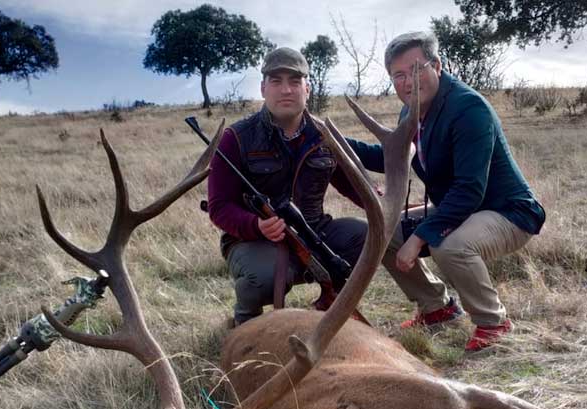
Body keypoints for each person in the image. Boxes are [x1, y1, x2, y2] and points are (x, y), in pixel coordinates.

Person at [348, 32, 546, 351]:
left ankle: (493, 322)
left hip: (508, 212)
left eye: (416, 70)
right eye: (398, 75)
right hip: (463, 209)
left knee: (448, 244)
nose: (408, 82)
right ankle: (436, 308)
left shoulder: (468, 109)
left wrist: (418, 238)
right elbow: (390, 156)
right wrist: (335, 142)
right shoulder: (410, 112)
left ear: (436, 65)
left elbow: (469, 189)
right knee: (382, 232)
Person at [207, 47, 368, 326]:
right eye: (276, 81)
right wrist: (256, 225)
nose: (286, 90)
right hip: (254, 240)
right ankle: (245, 324)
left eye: (294, 82)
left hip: (314, 231)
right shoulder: (235, 138)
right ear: (263, 88)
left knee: (365, 238)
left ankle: (330, 310)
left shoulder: (324, 136)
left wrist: (380, 203)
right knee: (263, 278)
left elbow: (350, 184)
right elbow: (219, 208)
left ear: (307, 88)